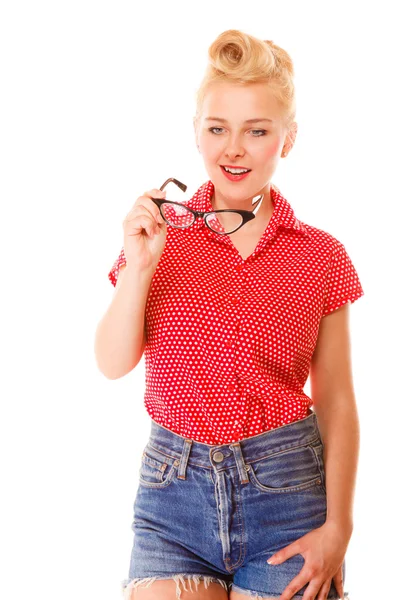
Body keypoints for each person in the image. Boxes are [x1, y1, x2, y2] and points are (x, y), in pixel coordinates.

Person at [95, 29, 363, 600]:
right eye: (218, 129)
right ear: (196, 133)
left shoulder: (321, 255)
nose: (233, 149)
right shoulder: (158, 238)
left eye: (257, 131)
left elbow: (337, 398)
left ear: (288, 139)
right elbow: (112, 363)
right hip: (173, 497)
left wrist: (339, 527)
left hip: (287, 493)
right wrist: (140, 267)